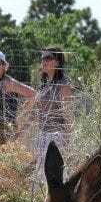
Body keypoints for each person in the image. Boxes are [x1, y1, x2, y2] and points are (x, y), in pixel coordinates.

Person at [30, 47, 75, 188]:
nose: (43, 61)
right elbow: (37, 112)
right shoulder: (44, 85)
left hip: (57, 137)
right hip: (43, 136)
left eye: (48, 58)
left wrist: (68, 141)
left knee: (57, 177)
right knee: (41, 177)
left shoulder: (63, 84)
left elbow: (68, 115)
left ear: (57, 62)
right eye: (42, 58)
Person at [0, 50, 35, 128]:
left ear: (4, 66)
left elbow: (33, 94)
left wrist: (22, 115)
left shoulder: (8, 83)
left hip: (9, 130)